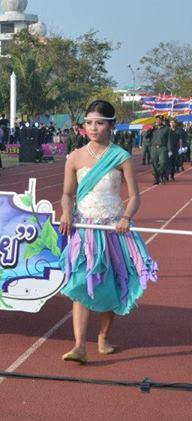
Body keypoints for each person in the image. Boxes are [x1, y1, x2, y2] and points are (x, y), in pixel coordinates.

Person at [58, 100, 158, 364]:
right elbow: (67, 194)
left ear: (111, 126)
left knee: (112, 282)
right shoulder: (75, 157)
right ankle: (80, 346)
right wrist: (66, 212)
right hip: (84, 229)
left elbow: (135, 197)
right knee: (80, 282)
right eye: (89, 123)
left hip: (114, 229)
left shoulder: (121, 156)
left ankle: (103, 338)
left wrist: (126, 217)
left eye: (99, 123)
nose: (93, 128)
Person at [150, 115, 173, 184]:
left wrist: (170, 150)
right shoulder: (153, 128)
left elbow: (169, 140)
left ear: (162, 121)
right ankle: (157, 178)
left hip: (162, 148)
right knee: (154, 163)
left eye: (159, 120)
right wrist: (148, 130)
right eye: (157, 120)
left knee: (163, 163)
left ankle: (157, 174)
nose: (158, 121)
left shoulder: (167, 129)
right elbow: (145, 136)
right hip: (153, 148)